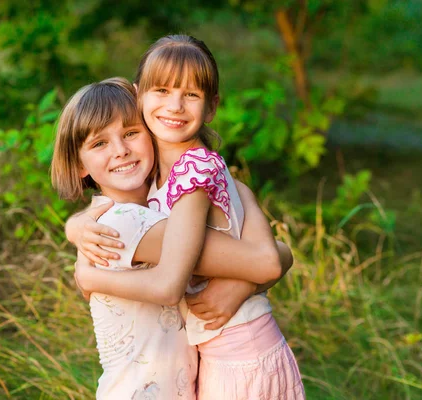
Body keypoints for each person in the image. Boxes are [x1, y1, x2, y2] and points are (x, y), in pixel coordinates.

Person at [69, 35, 305, 399]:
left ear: (211, 107)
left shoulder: (193, 173)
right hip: (221, 355)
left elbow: (263, 264)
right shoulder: (163, 178)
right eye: (161, 90)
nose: (175, 105)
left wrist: (89, 276)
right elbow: (271, 253)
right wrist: (78, 224)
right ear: (139, 96)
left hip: (240, 355)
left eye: (190, 95)